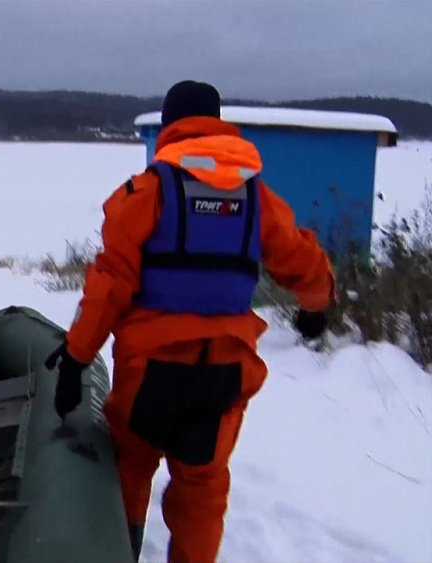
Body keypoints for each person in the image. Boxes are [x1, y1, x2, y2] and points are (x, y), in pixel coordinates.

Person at [45, 81, 335, 563]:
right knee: (202, 487)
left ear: (170, 126)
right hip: (225, 371)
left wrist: (77, 357)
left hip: (151, 372)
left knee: (130, 470)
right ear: (218, 123)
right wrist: (314, 307)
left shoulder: (144, 193)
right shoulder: (258, 199)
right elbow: (304, 260)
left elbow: (109, 285)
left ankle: (120, 552)